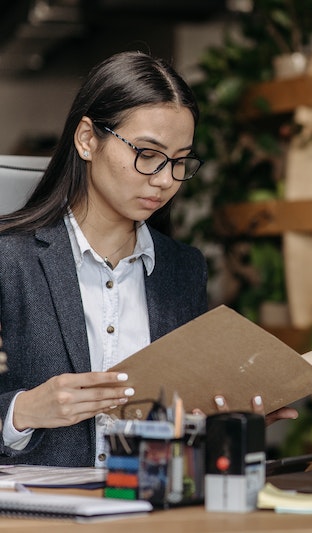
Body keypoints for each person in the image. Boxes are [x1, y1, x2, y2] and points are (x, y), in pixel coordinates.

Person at [0, 51, 296, 467]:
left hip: (150, 511)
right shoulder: (9, 259)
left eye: (179, 161)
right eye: (148, 153)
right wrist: (22, 412)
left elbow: (183, 423)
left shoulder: (182, 268)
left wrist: (224, 425)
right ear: (87, 139)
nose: (164, 179)